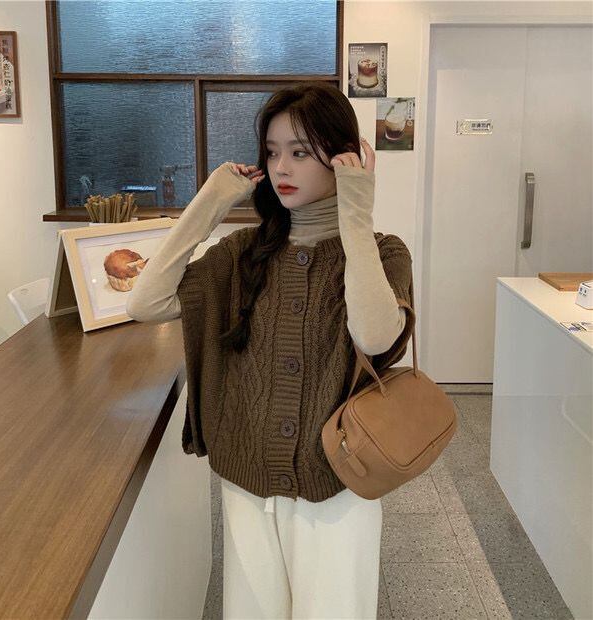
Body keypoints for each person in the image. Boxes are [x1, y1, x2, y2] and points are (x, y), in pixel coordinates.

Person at [126, 82, 414, 619]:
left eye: (300, 152)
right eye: (272, 151)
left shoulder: (383, 253)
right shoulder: (242, 253)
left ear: (344, 158)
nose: (281, 167)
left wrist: (355, 212)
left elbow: (376, 337)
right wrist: (209, 204)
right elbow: (145, 302)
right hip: (247, 480)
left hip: (336, 483)